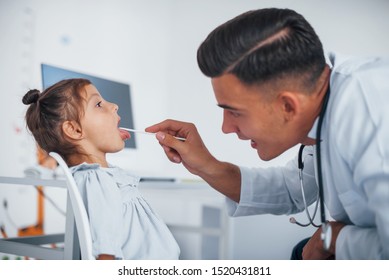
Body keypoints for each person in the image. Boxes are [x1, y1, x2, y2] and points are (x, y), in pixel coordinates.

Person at [146, 8, 389, 259]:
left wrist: (335, 238)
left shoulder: (372, 116)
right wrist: (205, 165)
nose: (226, 128)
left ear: (288, 106)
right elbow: (291, 188)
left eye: (235, 112)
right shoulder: (320, 96)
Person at [23, 79, 180, 260]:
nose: (114, 106)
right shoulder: (97, 179)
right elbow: (105, 251)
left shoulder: (98, 177)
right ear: (74, 129)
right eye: (98, 104)